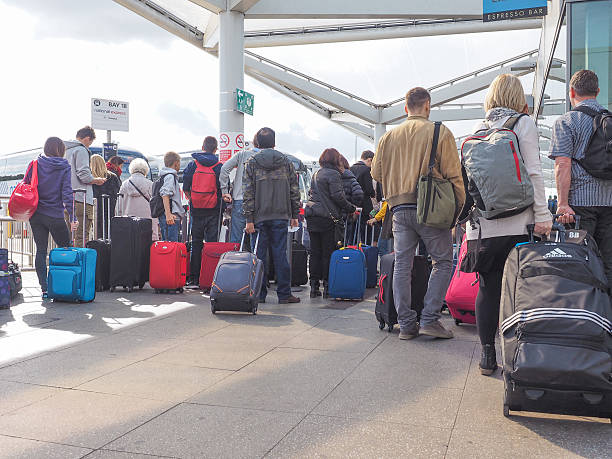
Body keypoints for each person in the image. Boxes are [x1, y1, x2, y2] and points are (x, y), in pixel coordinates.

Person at [460, 74, 552, 375]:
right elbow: (535, 173)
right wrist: (542, 216)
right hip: (519, 224)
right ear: (518, 98)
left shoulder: (477, 129)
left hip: (483, 229)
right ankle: (518, 354)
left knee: (487, 288)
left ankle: (487, 355)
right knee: (520, 288)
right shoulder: (523, 124)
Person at [372, 87, 465, 341]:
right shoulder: (439, 131)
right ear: (427, 106)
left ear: (405, 108)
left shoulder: (388, 137)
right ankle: (430, 319)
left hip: (398, 208)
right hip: (431, 206)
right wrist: (457, 209)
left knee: (403, 263)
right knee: (443, 262)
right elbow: (454, 174)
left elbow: (376, 174)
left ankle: (406, 324)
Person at [550, 69, 612, 289]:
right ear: (597, 91)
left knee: (579, 264)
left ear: (571, 91)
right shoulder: (609, 121)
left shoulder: (566, 122)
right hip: (609, 203)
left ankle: (585, 317)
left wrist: (562, 204)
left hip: (579, 207)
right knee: (608, 266)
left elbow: (563, 164)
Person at [243, 127, 301, 304]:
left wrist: (249, 219)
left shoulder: (251, 162)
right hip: (281, 215)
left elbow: (248, 192)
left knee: (258, 256)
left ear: (258, 143)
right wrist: (294, 214)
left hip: (259, 217)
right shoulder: (286, 162)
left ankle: (259, 294)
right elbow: (294, 189)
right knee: (280, 255)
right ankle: (284, 294)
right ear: (274, 143)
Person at [26, 137, 78, 297]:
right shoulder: (64, 167)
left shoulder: (35, 163)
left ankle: (44, 288)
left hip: (36, 214)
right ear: (61, 150)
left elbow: (26, 185)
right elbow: (67, 194)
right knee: (66, 250)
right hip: (55, 215)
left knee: (40, 251)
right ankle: (66, 285)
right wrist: (72, 217)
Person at [305, 149, 356, 298]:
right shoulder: (334, 174)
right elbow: (337, 196)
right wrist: (351, 208)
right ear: (335, 160)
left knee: (314, 252)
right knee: (328, 252)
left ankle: (314, 286)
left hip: (313, 216)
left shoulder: (316, 174)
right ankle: (327, 285)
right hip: (327, 218)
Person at [182, 136, 224, 284]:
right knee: (212, 244)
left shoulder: (193, 165)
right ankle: (210, 277)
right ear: (215, 149)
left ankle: (194, 278)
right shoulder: (219, 166)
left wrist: (193, 199)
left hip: (196, 210)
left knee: (196, 243)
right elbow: (223, 189)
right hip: (214, 210)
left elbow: (185, 187)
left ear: (202, 147)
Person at [64, 126, 106, 246]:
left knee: (68, 235)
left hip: (67, 198)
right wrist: (96, 180)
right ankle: (80, 264)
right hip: (81, 199)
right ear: (87, 138)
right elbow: (84, 175)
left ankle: (67, 262)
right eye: (91, 142)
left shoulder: (65, 150)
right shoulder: (81, 150)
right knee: (81, 235)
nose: (89, 145)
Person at [219, 136, 260, 243]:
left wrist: (225, 191)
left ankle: (234, 259)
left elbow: (224, 169)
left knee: (236, 240)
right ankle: (253, 260)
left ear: (254, 143)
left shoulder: (242, 154)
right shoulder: (266, 158)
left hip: (239, 201)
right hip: (259, 203)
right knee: (255, 242)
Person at [117, 158, 159, 240]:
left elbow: (119, 207)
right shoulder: (150, 185)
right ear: (146, 170)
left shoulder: (124, 185)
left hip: (128, 224)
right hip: (148, 225)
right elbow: (155, 208)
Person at [90, 154, 121, 239]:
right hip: (109, 207)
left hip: (94, 208)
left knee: (95, 231)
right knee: (108, 231)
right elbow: (117, 192)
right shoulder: (112, 176)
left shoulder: (89, 179)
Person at [158, 151, 185, 242]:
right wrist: (168, 214)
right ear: (176, 163)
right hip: (171, 217)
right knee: (171, 247)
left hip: (169, 216)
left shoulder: (164, 175)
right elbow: (165, 194)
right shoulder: (170, 176)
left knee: (168, 246)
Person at [351, 150, 376, 243]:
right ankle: (365, 252)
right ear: (370, 160)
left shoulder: (351, 168)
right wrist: (373, 194)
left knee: (353, 232)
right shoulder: (366, 170)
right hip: (365, 205)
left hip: (353, 205)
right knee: (366, 232)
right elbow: (369, 189)